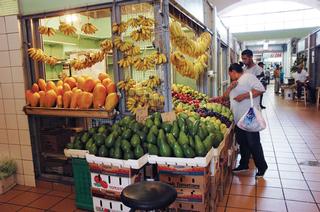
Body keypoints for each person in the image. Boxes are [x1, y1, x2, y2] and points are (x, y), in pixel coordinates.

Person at [223, 63, 268, 178]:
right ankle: (243, 164)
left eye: (230, 74)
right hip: (238, 118)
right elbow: (225, 97)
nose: (230, 76)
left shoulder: (248, 77)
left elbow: (261, 89)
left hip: (249, 117)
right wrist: (230, 88)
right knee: (242, 142)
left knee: (253, 143)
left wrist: (244, 96)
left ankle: (262, 167)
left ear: (233, 71)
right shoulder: (235, 82)